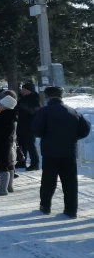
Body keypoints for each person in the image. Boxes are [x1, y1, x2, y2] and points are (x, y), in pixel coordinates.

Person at [33, 86, 91, 218]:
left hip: (50, 152)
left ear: (48, 96)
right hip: (68, 151)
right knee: (70, 182)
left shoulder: (44, 111)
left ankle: (45, 206)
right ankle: (71, 210)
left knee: (48, 181)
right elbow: (85, 129)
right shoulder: (73, 111)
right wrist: (73, 137)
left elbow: (36, 130)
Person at [16, 83, 41, 171]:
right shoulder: (23, 98)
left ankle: (35, 163)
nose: (23, 91)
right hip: (21, 124)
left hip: (30, 125)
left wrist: (21, 106)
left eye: (25, 90)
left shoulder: (35, 98)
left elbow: (33, 110)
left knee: (30, 145)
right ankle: (21, 161)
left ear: (30, 90)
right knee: (21, 144)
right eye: (22, 90)